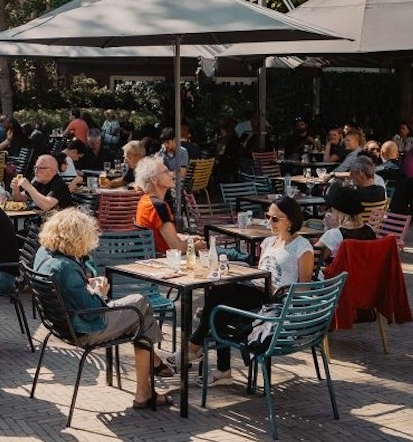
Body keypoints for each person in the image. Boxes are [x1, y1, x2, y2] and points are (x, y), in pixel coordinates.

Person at [32, 208, 174, 409]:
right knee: (141, 305)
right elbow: (93, 312)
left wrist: (87, 284)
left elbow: (70, 291)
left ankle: (148, 382)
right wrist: (99, 291)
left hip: (59, 325)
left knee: (141, 322)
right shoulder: (66, 267)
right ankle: (146, 383)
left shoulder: (43, 254)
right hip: (84, 329)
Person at [167, 196, 314, 386]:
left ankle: (200, 352)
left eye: (275, 219)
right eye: (268, 217)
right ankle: (214, 364)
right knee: (219, 299)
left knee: (217, 303)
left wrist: (278, 290)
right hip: (259, 292)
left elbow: (304, 288)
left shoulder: (302, 247)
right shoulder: (268, 242)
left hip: (278, 302)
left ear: (291, 220)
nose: (270, 222)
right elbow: (261, 273)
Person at [134, 157, 205, 254]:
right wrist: (196, 246)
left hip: (156, 258)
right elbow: (177, 248)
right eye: (166, 172)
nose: (171, 174)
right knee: (230, 254)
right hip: (169, 260)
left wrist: (188, 238)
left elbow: (163, 235)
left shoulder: (144, 201)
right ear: (154, 179)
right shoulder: (158, 206)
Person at [315, 184, 377, 266]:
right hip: (366, 276)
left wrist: (327, 230)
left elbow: (312, 259)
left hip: (339, 277)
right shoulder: (370, 230)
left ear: (337, 210)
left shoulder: (333, 235)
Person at [376, 141, 412, 214]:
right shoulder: (406, 170)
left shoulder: (377, 171)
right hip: (402, 213)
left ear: (381, 153)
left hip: (381, 213)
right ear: (397, 154)